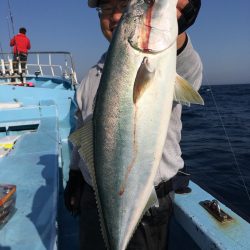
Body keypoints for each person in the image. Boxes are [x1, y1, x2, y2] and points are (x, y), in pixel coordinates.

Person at [64, 0, 202, 249]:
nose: (116, 16)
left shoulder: (166, 59)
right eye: (106, 10)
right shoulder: (88, 79)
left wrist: (178, 31)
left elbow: (189, 71)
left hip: (147, 200)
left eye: (124, 6)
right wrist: (75, 174)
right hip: (93, 197)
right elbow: (80, 132)